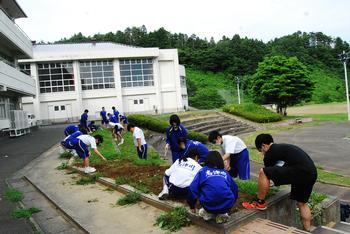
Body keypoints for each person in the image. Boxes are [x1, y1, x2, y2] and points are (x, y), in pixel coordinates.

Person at [242, 134, 317, 232]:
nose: (262, 153)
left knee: (263, 172)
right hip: (311, 173)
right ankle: (307, 230)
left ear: (264, 145)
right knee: (302, 203)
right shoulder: (282, 148)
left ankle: (260, 202)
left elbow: (267, 173)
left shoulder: (270, 152)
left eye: (261, 150)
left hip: (300, 172)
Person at [187, 151, 238, 224]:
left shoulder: (203, 171)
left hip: (208, 204)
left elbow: (192, 189)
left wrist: (192, 205)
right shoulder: (225, 173)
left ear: (207, 160)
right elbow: (235, 189)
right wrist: (232, 202)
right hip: (227, 204)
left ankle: (208, 212)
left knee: (202, 188)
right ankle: (222, 214)